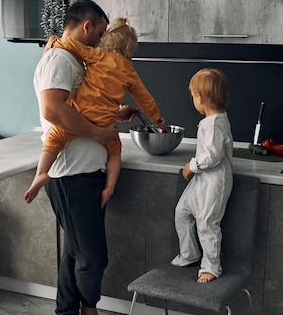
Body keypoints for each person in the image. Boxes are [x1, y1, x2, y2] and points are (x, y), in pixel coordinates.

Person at [33, 0, 134, 315]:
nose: (101, 41)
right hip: (70, 174)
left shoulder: (69, 58)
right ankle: (87, 307)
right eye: (101, 32)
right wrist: (99, 132)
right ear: (87, 26)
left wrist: (112, 116)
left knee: (74, 252)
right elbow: (52, 110)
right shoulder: (60, 59)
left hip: (83, 173)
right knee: (92, 257)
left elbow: (78, 106)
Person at [25, 17, 165, 204]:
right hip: (105, 123)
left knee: (54, 138)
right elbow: (144, 98)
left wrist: (53, 41)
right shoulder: (129, 71)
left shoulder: (96, 55)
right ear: (130, 48)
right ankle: (109, 188)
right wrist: (157, 119)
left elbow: (72, 46)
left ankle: (41, 173)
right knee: (115, 153)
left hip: (80, 114)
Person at [171, 68, 233, 283]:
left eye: (192, 95)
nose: (192, 100)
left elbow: (212, 157)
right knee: (182, 211)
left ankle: (211, 267)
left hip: (215, 181)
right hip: (203, 179)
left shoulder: (215, 124)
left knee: (207, 223)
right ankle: (190, 254)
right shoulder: (211, 121)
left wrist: (192, 166)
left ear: (201, 97)